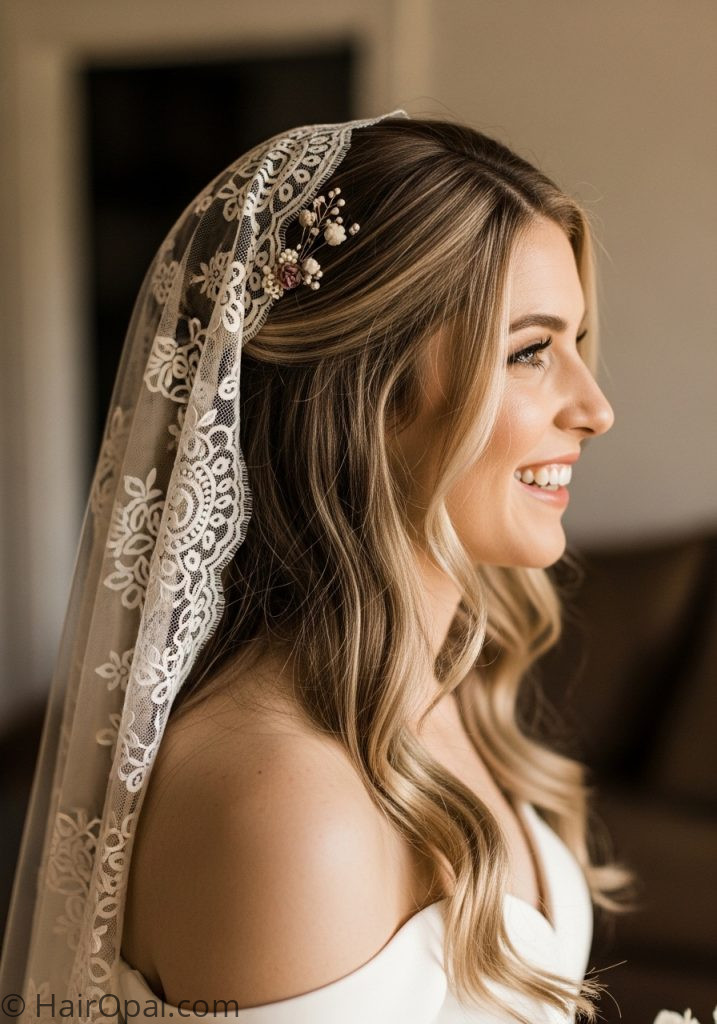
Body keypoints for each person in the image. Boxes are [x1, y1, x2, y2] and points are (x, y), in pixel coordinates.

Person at [0, 110, 635, 1024]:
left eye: (575, 342)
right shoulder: (288, 809)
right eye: (530, 351)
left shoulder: (441, 692)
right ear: (365, 390)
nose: (595, 408)